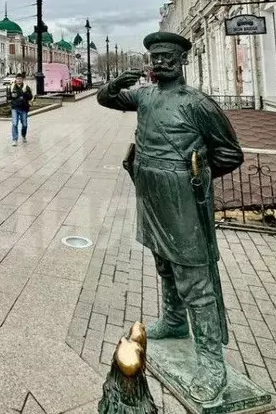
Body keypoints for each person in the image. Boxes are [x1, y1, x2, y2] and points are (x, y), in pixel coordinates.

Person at [96, 31, 244, 405]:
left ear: (180, 61)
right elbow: (106, 99)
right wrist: (116, 82)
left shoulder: (197, 103)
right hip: (150, 191)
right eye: (155, 57)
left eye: (167, 57)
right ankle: (174, 319)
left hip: (181, 197)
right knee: (163, 262)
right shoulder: (145, 96)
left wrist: (194, 177)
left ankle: (212, 364)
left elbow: (229, 153)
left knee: (194, 277)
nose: (159, 63)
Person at [8, 72, 33, 146]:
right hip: (15, 108)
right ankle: (15, 139)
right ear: (15, 79)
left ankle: (23, 135)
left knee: (24, 124)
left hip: (24, 108)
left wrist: (25, 93)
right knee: (14, 123)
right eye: (17, 79)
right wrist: (11, 95)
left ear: (22, 79)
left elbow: (30, 97)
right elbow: (8, 97)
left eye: (20, 79)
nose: (19, 80)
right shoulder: (12, 87)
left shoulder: (26, 87)